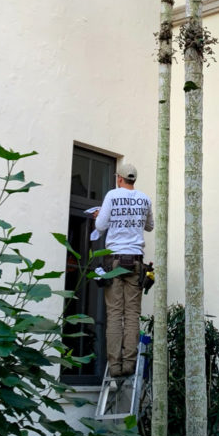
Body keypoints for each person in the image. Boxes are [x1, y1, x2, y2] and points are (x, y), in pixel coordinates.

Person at [93, 162, 154, 377]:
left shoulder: (111, 195)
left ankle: (115, 366)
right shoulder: (145, 199)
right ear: (133, 179)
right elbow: (150, 226)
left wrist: (101, 215)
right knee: (132, 315)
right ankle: (129, 364)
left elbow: (100, 226)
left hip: (115, 261)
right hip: (136, 262)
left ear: (119, 178)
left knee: (114, 314)